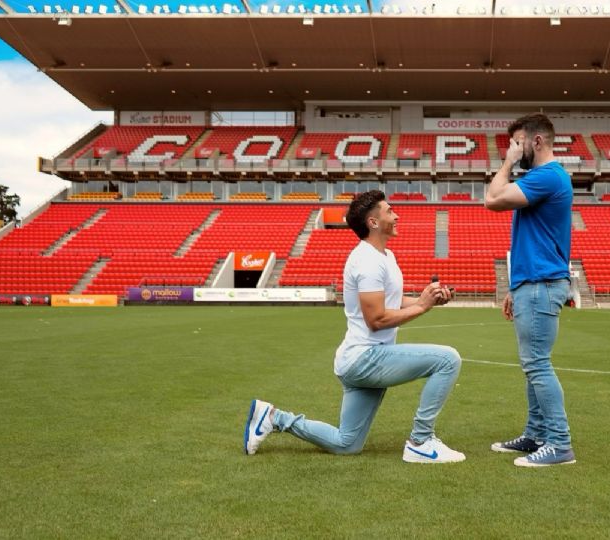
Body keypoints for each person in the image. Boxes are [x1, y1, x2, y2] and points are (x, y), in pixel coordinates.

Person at [244, 190, 465, 464]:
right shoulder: (367, 261)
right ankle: (421, 441)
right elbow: (377, 320)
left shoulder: (385, 257)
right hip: (365, 358)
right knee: (448, 359)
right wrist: (422, 307)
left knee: (346, 444)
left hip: (359, 360)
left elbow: (392, 302)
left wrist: (426, 300)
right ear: (373, 222)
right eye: (389, 211)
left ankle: (274, 418)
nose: (396, 215)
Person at [484, 113, 576, 467]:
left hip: (540, 283)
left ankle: (560, 443)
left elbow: (491, 200)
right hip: (531, 282)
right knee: (532, 364)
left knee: (537, 364)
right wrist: (514, 286)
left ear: (536, 141)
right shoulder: (543, 177)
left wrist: (507, 163)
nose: (513, 149)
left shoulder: (547, 176)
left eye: (517, 142)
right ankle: (537, 434)